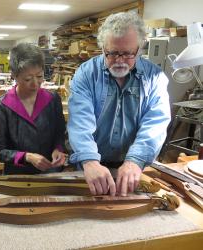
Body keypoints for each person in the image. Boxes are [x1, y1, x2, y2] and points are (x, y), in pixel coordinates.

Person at [67, 12, 171, 197]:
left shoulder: (155, 78)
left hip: (132, 167)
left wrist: (135, 160)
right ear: (102, 48)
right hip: (91, 166)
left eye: (128, 53)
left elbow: (155, 122)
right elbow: (80, 121)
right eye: (113, 53)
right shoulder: (86, 74)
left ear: (139, 49)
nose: (120, 60)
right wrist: (90, 160)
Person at [0, 43, 66, 175]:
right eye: (28, 79)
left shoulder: (52, 100)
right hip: (17, 176)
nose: (35, 83)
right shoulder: (2, 106)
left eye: (39, 76)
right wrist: (27, 157)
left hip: (50, 172)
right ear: (14, 75)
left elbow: (60, 134)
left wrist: (58, 149)